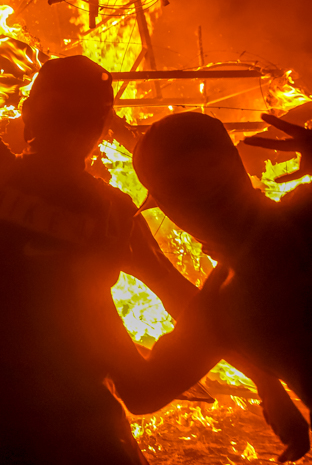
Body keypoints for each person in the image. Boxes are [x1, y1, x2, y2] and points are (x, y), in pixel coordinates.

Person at [0, 0, 303, 464]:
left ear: (28, 112)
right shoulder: (82, 200)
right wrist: (266, 382)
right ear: (100, 127)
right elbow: (188, 301)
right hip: (56, 428)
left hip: (10, 425)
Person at [111, 111, 312, 461]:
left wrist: (96, 277)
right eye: (183, 184)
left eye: (210, 168)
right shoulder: (222, 301)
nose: (207, 191)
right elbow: (143, 393)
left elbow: (143, 392)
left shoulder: (224, 304)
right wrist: (266, 383)